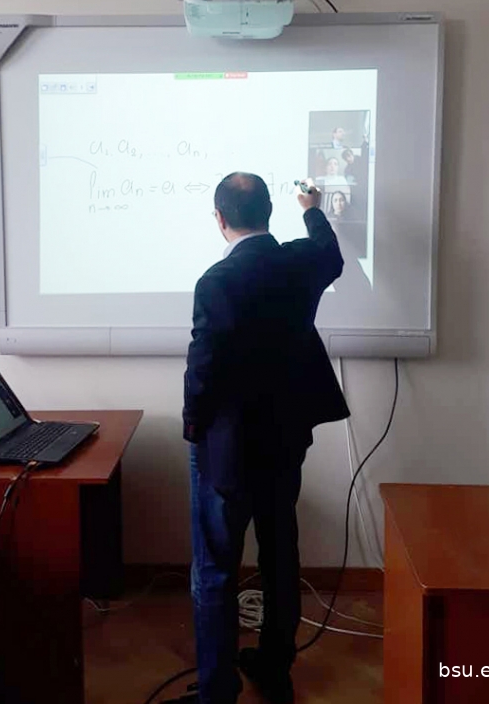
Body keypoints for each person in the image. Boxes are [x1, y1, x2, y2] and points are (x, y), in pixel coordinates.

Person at [181, 174, 349, 704]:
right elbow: (331, 253)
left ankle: (217, 691)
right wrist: (312, 208)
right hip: (285, 439)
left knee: (215, 567)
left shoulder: (216, 281)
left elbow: (203, 369)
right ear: (270, 211)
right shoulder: (301, 261)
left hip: (226, 447)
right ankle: (275, 671)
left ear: (219, 219)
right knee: (280, 554)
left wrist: (192, 428)